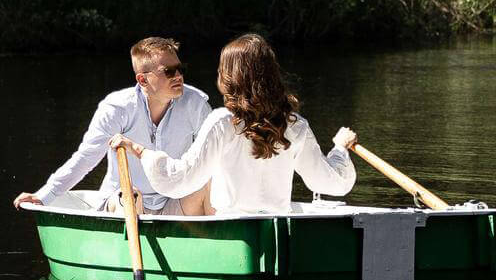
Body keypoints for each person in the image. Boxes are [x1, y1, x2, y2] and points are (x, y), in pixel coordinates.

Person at [114, 33, 357, 216]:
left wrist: (140, 151)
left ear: (229, 78)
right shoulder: (295, 125)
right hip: (275, 232)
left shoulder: (223, 123)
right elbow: (331, 182)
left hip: (232, 231)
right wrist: (340, 149)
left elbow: (180, 179)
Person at [13, 37, 211, 214]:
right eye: (168, 71)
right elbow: (86, 158)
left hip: (173, 202)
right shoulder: (118, 108)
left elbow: (215, 156)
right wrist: (44, 195)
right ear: (142, 79)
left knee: (209, 184)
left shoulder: (195, 103)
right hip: (124, 203)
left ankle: (220, 239)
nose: (178, 76)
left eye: (180, 69)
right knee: (130, 195)